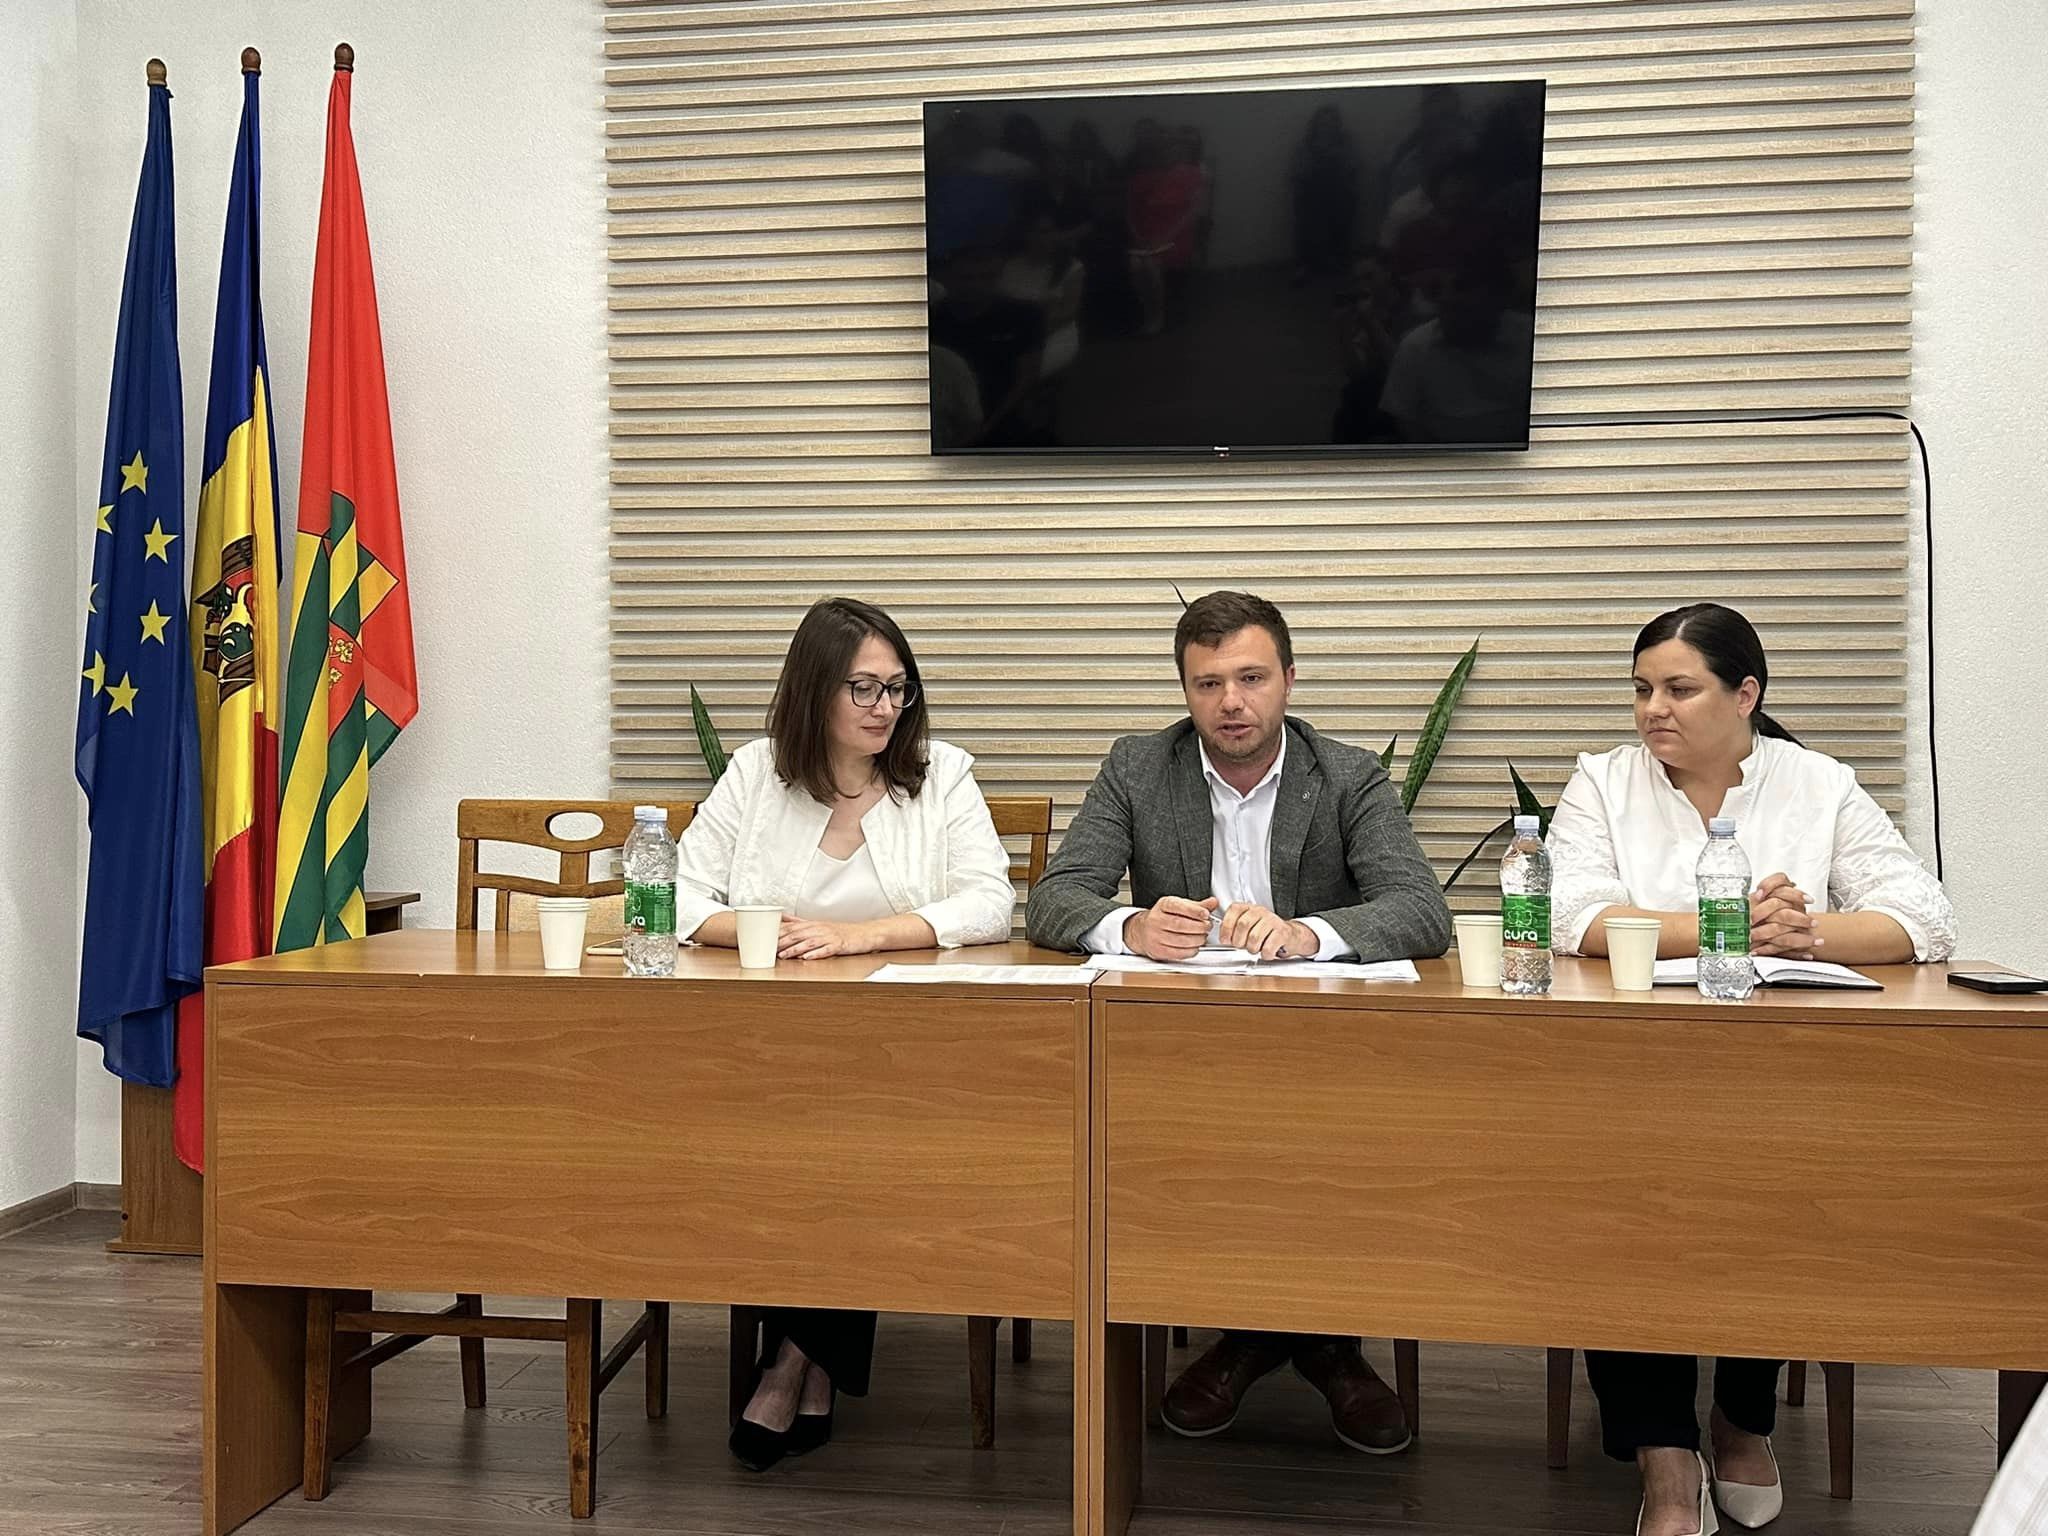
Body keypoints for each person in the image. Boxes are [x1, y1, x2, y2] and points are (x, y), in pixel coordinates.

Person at [1546, 602, 1957, 1536]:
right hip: (1625, 1075)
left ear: (1745, 695)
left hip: (1779, 1078)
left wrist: (1806, 933)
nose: (1653, 709)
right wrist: (1726, 922)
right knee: (1608, 1196)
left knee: (1777, 1189)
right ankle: (1663, 1456)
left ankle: (1742, 1417)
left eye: (1679, 689)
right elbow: (1574, 915)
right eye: (1641, 690)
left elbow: (1922, 917)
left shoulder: (1817, 783)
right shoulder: (1602, 781)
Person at [1026, 590, 1452, 1454]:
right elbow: (1056, 896)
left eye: (1251, 678)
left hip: (1326, 1055)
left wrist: (1307, 935)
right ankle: (1294, 1341)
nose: (1231, 702)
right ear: (1185, 692)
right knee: (1181, 1142)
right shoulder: (1139, 768)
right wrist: (1130, 927)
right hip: (1184, 1052)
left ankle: (1288, 1340)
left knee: (1329, 1138)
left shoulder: (1347, 774)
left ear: (1289, 679)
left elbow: (1420, 909)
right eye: (1208, 683)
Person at [673, 596, 1017, 1472]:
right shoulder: (755, 774)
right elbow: (678, 897)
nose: (883, 706)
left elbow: (990, 902)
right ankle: (816, 1360)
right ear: (814, 688)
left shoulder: (941, 776)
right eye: (863, 687)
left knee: (853, 1132)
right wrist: (773, 934)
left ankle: (790, 1361)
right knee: (802, 1131)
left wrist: (861, 937)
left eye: (898, 688)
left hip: (912, 1049)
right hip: (766, 1046)